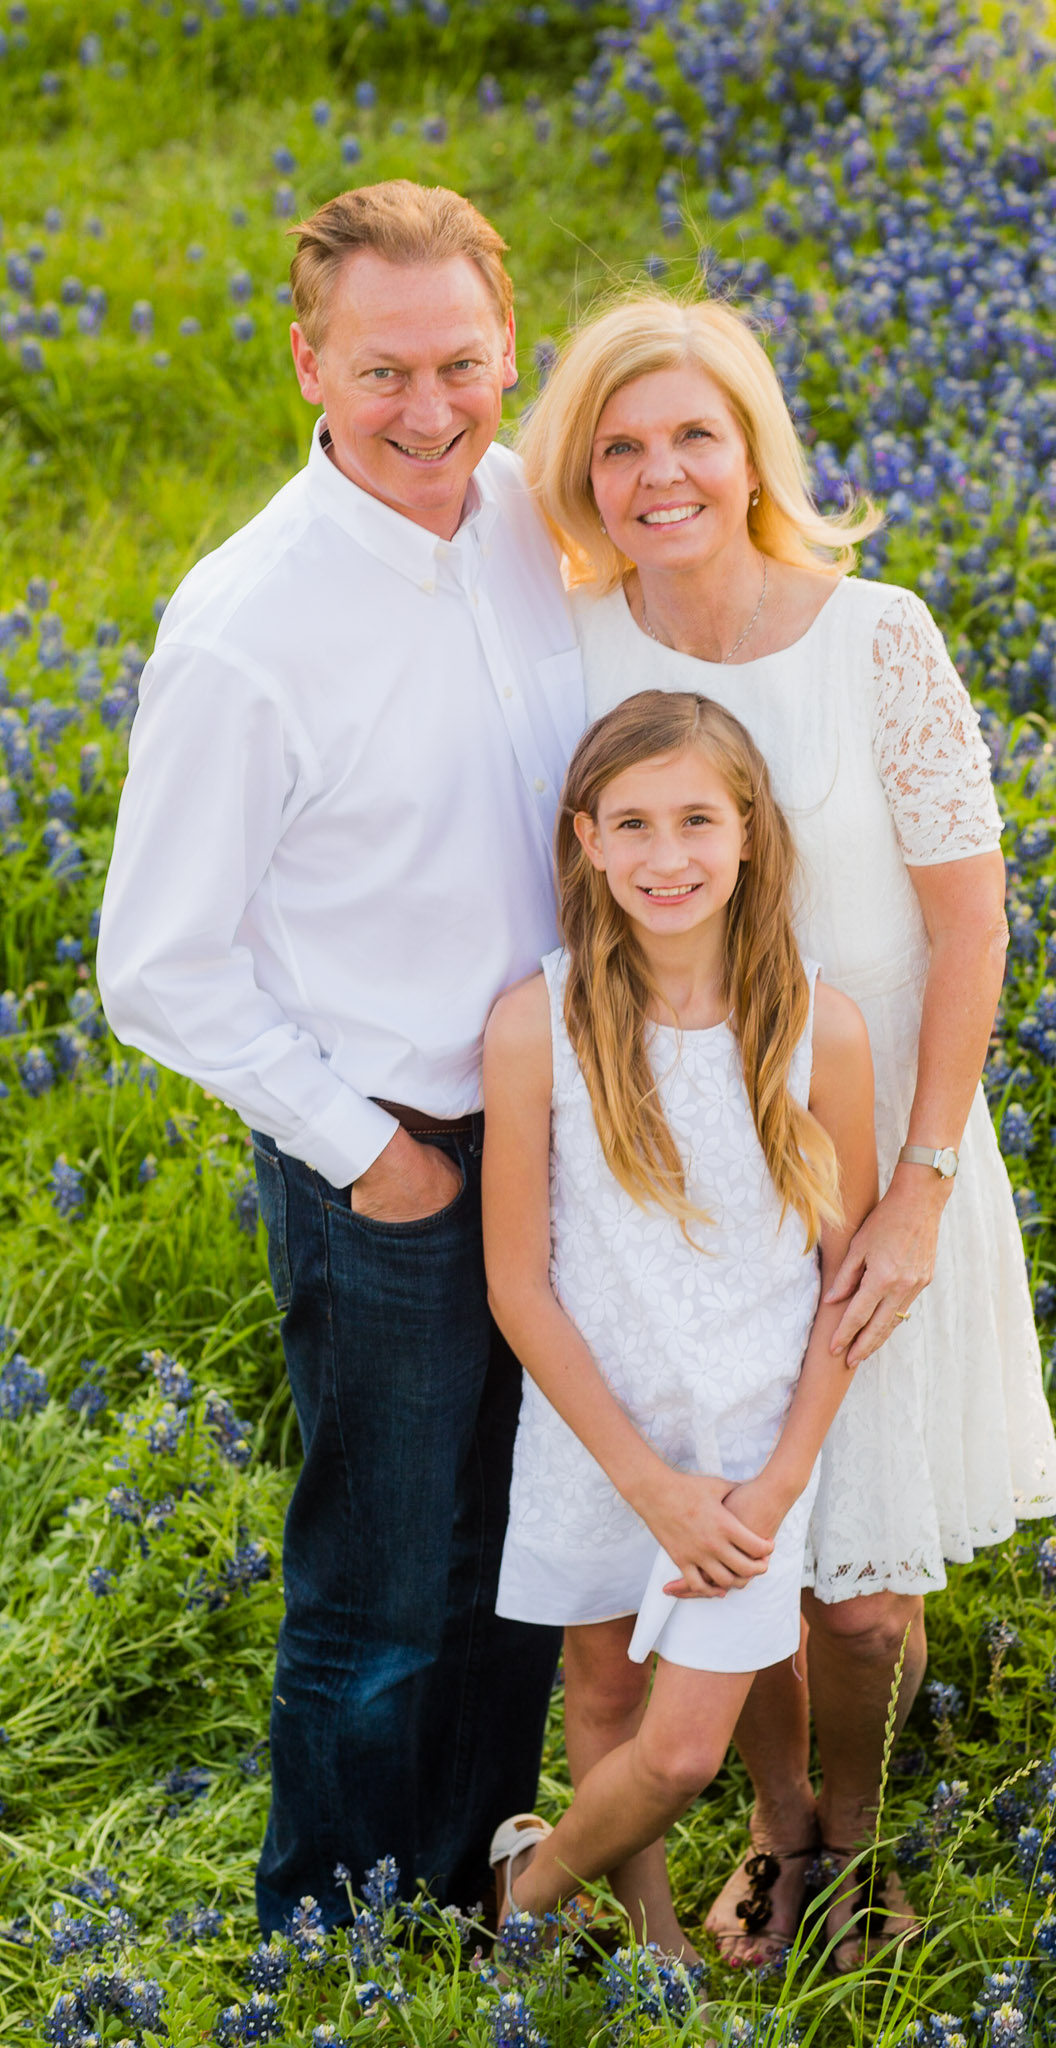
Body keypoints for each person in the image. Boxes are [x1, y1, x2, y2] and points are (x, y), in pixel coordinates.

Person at [519, 292, 1056, 1968]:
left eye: (693, 431)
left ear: (756, 446)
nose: (659, 471)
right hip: (685, 1174)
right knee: (744, 1528)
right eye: (619, 445)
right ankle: (775, 1825)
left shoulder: (875, 630)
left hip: (880, 1140)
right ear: (583, 476)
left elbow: (968, 929)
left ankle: (857, 1829)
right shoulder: (583, 636)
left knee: (864, 1584)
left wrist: (914, 1185)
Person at [96, 180, 581, 1934]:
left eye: (462, 362)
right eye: (385, 371)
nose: (431, 408)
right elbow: (156, 964)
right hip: (393, 1141)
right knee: (382, 1575)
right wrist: (359, 1146)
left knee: (524, 1540)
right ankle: (331, 1923)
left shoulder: (538, 516)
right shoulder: (247, 624)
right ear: (307, 358)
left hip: (570, 1128)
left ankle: (467, 1872)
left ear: (508, 350)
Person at [480, 691, 879, 1963]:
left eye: (698, 819)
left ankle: (522, 1895)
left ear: (750, 833)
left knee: (685, 1746)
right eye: (634, 823)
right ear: (585, 838)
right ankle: (652, 1956)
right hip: (599, 1435)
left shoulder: (825, 1026)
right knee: (600, 1689)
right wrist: (645, 1482)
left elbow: (844, 1293)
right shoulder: (532, 1024)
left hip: (751, 1459)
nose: (668, 856)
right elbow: (518, 1286)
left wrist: (778, 1480)